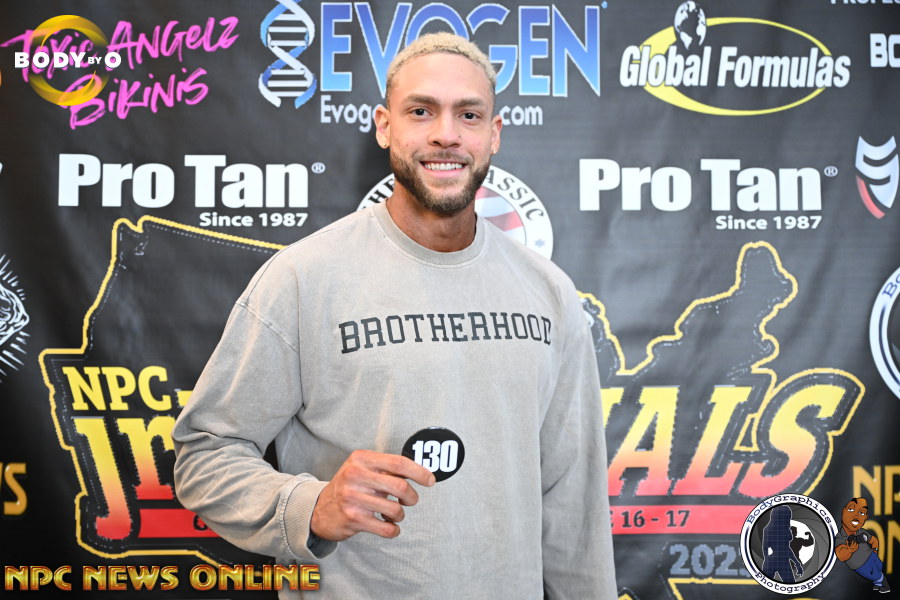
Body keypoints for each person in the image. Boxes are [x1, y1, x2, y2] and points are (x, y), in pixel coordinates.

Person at [173, 31, 617, 599]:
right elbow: (205, 453)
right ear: (385, 126)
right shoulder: (304, 278)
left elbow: (575, 505)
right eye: (421, 111)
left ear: (494, 134)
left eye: (469, 114)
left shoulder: (548, 292)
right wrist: (311, 506)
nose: (446, 134)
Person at [835, 497, 890, 593]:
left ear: (866, 517)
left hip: (871, 556)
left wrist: (875, 551)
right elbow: (840, 555)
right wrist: (849, 550)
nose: (856, 515)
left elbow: (873, 540)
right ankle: (881, 582)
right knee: (874, 575)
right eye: (851, 509)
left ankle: (879, 583)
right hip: (858, 565)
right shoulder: (841, 536)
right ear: (843, 511)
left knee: (878, 569)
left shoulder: (861, 532)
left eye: (862, 513)